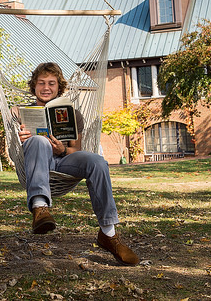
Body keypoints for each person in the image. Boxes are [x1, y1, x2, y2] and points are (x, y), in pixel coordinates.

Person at [17, 62, 139, 266]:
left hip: (64, 163)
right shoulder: (21, 113)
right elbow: (13, 125)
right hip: (37, 163)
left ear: (59, 87)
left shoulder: (72, 114)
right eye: (41, 83)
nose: (46, 87)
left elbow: (76, 149)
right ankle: (40, 208)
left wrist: (62, 150)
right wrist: (21, 131)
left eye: (51, 83)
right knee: (37, 140)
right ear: (34, 86)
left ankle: (108, 234)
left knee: (97, 161)